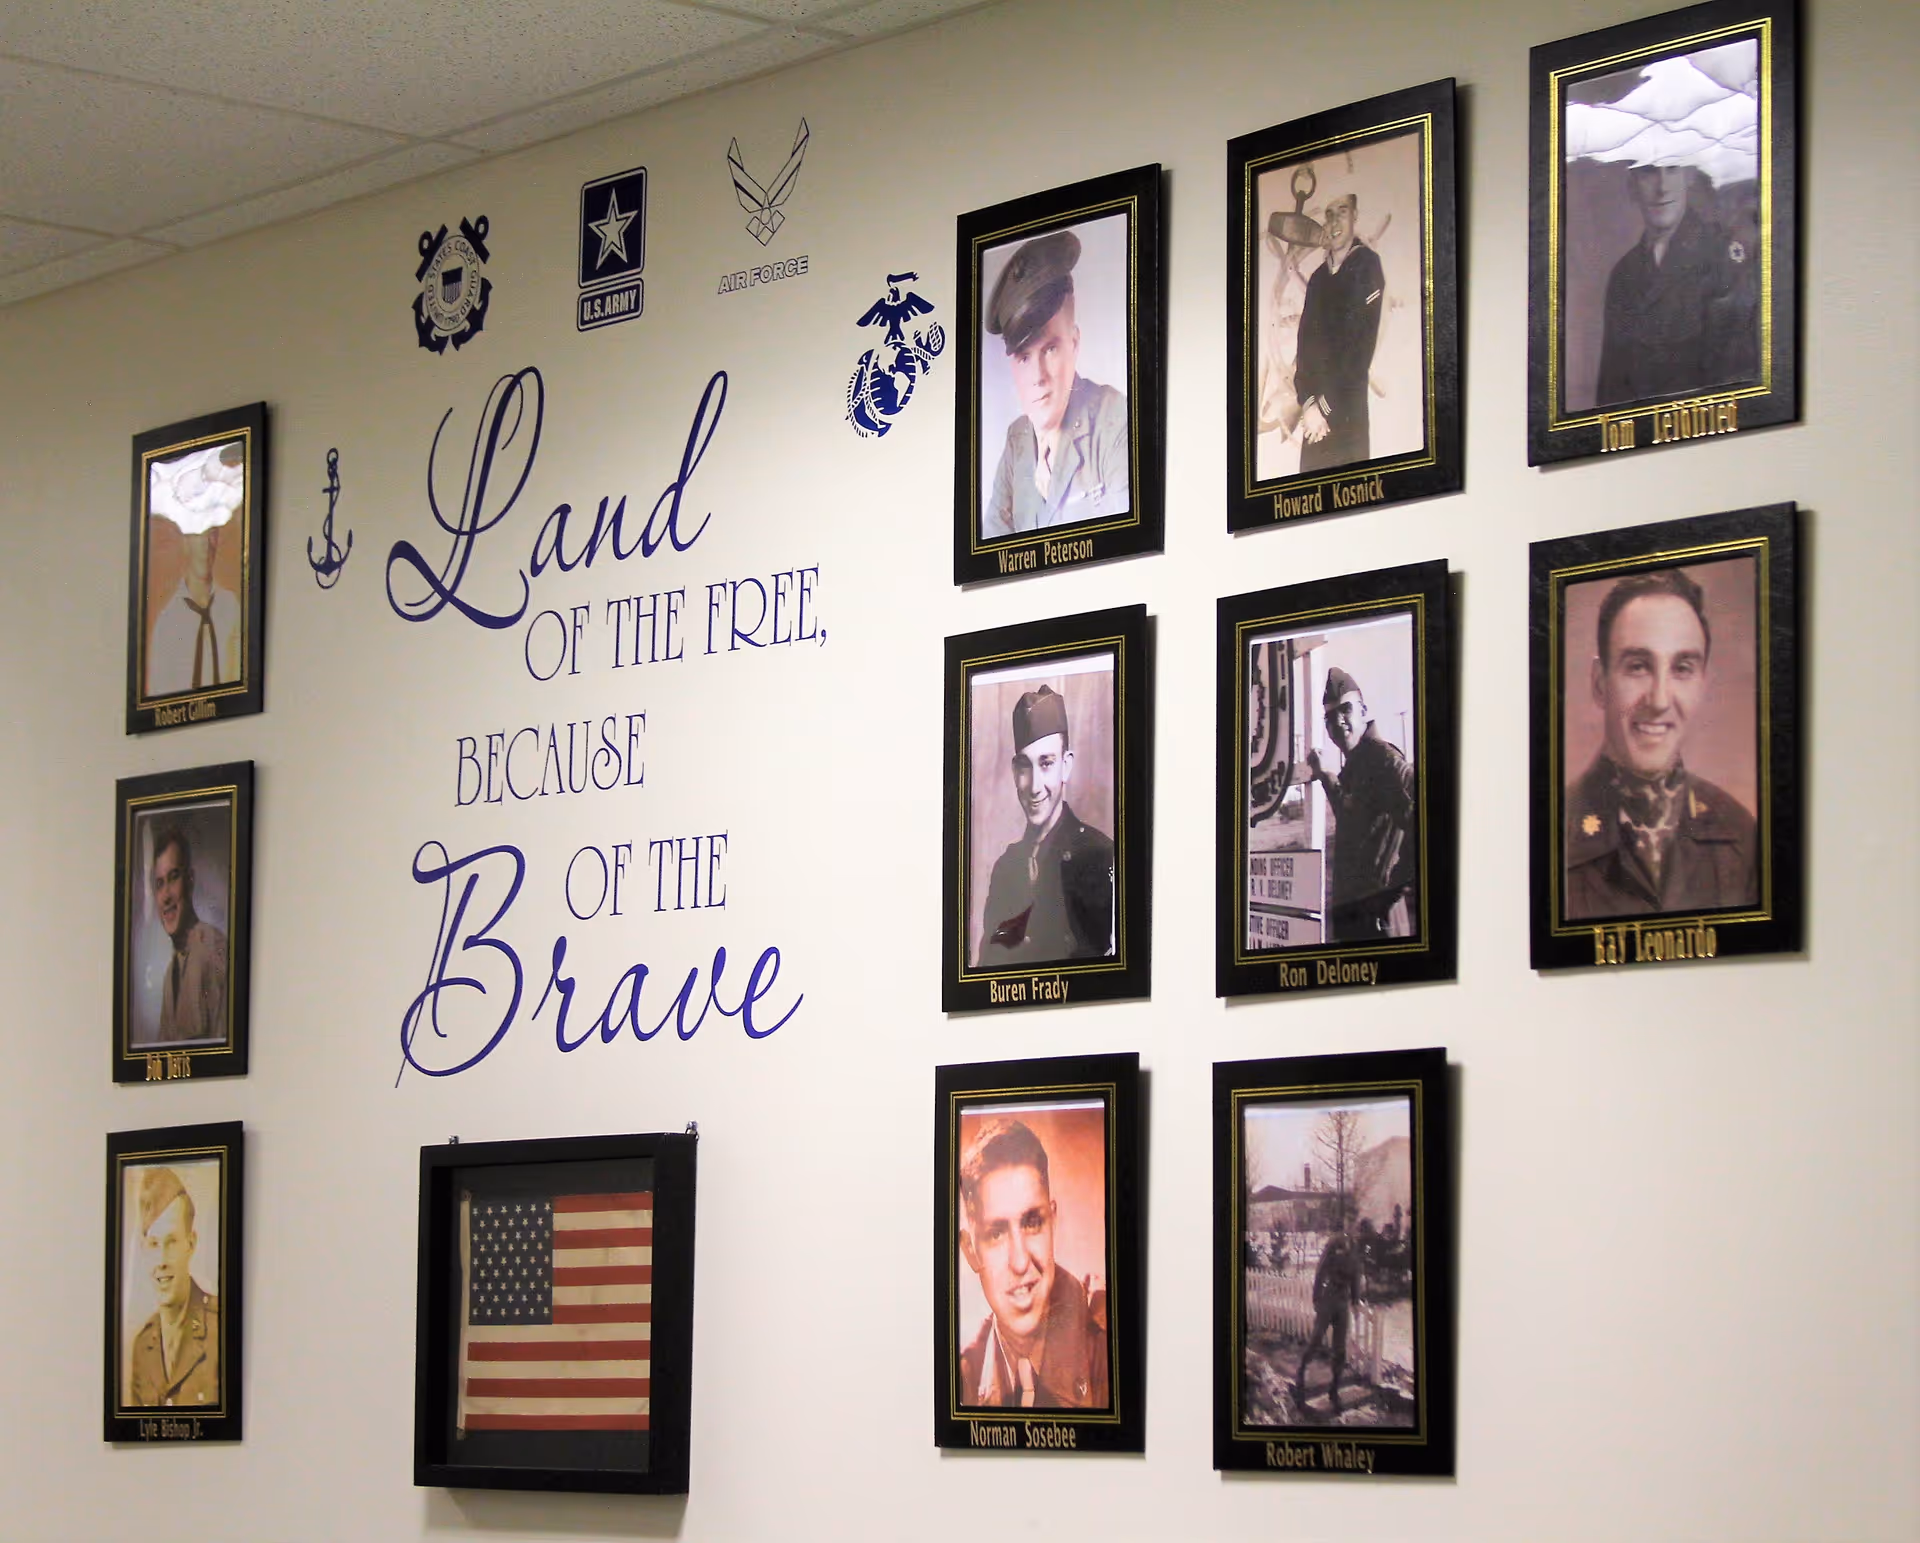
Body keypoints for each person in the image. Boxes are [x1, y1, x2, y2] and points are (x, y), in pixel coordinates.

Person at [1564, 569, 1758, 918]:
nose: (1659, 699)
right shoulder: (1551, 832)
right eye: (1638, 666)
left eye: (1682, 668)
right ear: (1599, 684)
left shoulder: (1742, 836)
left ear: (1702, 684)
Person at [981, 229, 1129, 536]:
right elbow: (995, 553)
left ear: (1074, 344)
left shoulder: (1115, 420)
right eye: (1023, 357)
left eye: (1050, 349)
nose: (1037, 377)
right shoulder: (1017, 441)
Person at [957, 1117, 1108, 1409]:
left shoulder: (1109, 1350)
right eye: (996, 1233)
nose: (1020, 1261)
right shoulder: (962, 1375)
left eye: (1032, 1223)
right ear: (970, 1251)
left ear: (1052, 1222)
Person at [1593, 162, 1757, 408]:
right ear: (1632, 185)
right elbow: (1610, 390)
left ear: (1688, 177)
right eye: (1648, 172)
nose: (1663, 188)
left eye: (1671, 169)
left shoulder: (1722, 256)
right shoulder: (1623, 274)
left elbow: (1738, 380)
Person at [977, 685, 1115, 965]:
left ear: (1066, 766)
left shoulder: (1099, 856)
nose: (1035, 786)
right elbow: (986, 973)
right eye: (1025, 766)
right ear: (1015, 773)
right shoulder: (1007, 867)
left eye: (1046, 763)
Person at [1306, 667, 1417, 940]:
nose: (1338, 721)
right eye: (1330, 717)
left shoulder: (1383, 760)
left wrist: (1391, 892)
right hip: (1353, 915)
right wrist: (1324, 776)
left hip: (1378, 920)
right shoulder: (1356, 764)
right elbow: (1350, 815)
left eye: (1345, 710)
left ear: (1364, 710)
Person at [1293, 191, 1385, 473]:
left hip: (1346, 413)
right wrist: (1308, 405)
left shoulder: (1367, 265)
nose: (1334, 222)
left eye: (1341, 212)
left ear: (1354, 216)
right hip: (1314, 420)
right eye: (1329, 214)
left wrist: (1323, 407)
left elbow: (1358, 349)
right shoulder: (1318, 279)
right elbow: (1304, 347)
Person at [146, 441, 244, 698]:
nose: (209, 546)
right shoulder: (170, 619)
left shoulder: (230, 608)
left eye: (214, 536)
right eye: (201, 537)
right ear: (187, 546)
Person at [126, 1166, 220, 1408]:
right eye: (154, 1244)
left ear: (191, 1244)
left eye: (172, 1242)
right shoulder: (143, 1347)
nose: (162, 1261)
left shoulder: (221, 1329)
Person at [147, 822, 228, 1044]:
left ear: (190, 881)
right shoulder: (170, 974)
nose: (165, 896)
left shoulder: (214, 951)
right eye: (159, 884)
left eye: (173, 878)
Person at [1293, 1227, 1363, 1415]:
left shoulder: (1355, 1255)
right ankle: (1301, 1370)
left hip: (1342, 1303)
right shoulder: (1332, 1247)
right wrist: (1316, 1298)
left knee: (1339, 1349)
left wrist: (1356, 1302)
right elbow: (1320, 1272)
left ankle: (1334, 1389)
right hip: (1328, 1298)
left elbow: (1356, 1279)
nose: (1348, 1239)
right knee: (1316, 1339)